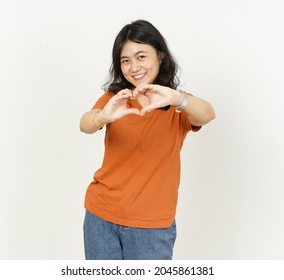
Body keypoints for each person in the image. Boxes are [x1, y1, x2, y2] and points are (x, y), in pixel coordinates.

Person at [79, 19, 215, 260]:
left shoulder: (175, 102)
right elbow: (85, 124)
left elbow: (207, 114)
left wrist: (178, 98)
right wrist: (103, 116)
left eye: (141, 56)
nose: (133, 67)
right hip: (101, 218)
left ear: (160, 56)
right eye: (125, 60)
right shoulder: (116, 98)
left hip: (151, 227)